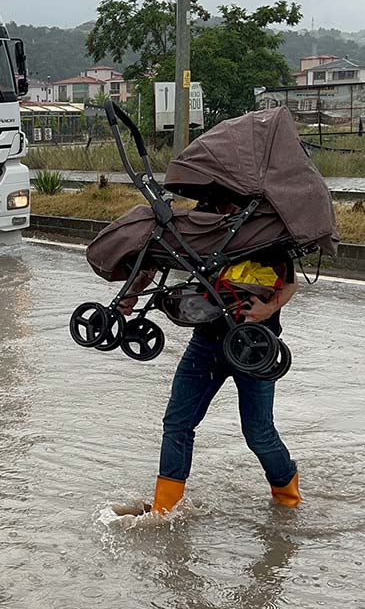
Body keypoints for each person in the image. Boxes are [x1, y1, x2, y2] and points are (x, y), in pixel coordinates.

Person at [115, 216, 302, 516]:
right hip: (205, 342)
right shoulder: (201, 224)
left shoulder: (261, 228)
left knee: (258, 431)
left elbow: (291, 283)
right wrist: (134, 292)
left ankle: (288, 501)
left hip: (254, 347)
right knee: (177, 423)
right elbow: (156, 261)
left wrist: (268, 308)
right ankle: (165, 509)